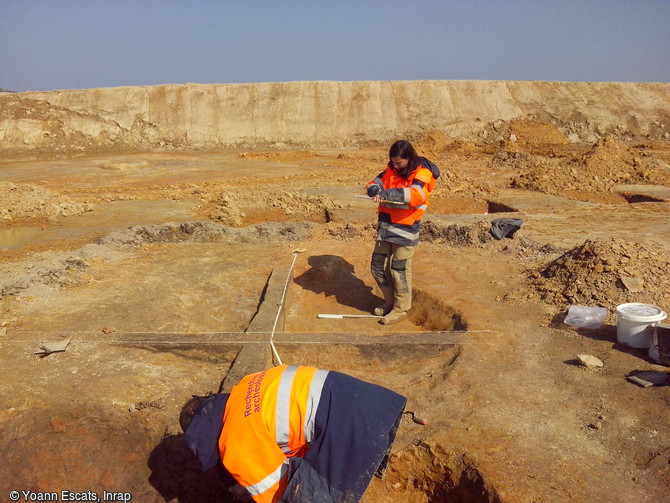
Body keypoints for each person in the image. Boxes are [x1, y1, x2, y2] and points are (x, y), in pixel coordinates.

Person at [180, 364, 407, 503]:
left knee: (309, 494)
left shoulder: (235, 445)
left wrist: (246, 486)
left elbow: (282, 493)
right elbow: (291, 429)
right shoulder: (246, 386)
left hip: (349, 429)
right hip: (373, 402)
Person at [365, 140, 440, 325]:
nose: (395, 166)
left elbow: (416, 196)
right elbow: (374, 182)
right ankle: (389, 302)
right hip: (385, 226)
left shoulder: (422, 172)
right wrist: (374, 189)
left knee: (399, 269)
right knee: (377, 266)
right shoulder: (391, 168)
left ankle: (400, 308)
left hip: (405, 229)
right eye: (393, 162)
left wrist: (387, 194)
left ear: (409, 158)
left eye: (399, 163)